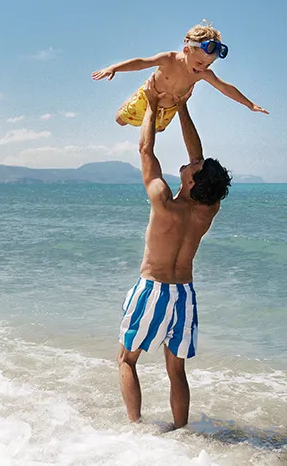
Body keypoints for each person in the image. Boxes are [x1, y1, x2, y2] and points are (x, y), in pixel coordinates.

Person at [117, 84, 231, 428]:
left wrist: (152, 105)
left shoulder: (164, 201)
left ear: (194, 183)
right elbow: (198, 159)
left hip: (153, 289)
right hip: (185, 294)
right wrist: (181, 107)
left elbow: (145, 149)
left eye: (195, 168)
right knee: (176, 369)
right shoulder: (209, 207)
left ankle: (134, 427)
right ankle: (182, 434)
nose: (191, 163)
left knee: (126, 360)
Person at [92, 21, 268, 131]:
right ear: (186, 50)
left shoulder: (203, 73)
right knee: (120, 121)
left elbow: (224, 87)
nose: (203, 68)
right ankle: (132, 97)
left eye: (209, 64)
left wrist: (249, 104)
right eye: (200, 63)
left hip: (170, 109)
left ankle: (156, 119)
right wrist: (114, 67)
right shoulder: (168, 59)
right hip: (147, 99)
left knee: (158, 129)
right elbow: (141, 63)